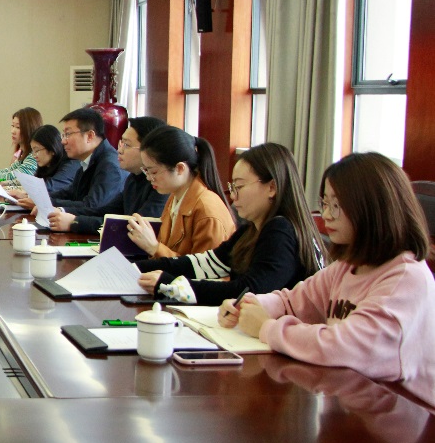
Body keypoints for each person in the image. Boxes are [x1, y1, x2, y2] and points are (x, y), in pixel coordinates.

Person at [222, 152, 435, 406]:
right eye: (324, 203)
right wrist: (250, 305)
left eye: (337, 206)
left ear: (374, 209)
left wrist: (266, 327)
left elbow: (346, 347)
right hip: (353, 402)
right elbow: (293, 301)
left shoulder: (406, 278)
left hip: (406, 414)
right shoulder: (347, 267)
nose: (326, 215)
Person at [136, 143, 326, 304]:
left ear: (272, 187)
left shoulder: (281, 231)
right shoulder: (251, 230)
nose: (233, 196)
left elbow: (249, 291)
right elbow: (206, 263)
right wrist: (136, 268)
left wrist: (172, 286)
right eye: (232, 187)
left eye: (239, 186)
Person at [125, 125, 235, 258]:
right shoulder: (175, 196)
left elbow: (202, 269)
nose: (148, 178)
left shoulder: (207, 212)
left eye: (153, 172)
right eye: (146, 170)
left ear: (180, 168)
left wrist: (154, 248)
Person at [48, 116, 168, 234]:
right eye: (121, 143)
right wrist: (61, 211)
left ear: (148, 150)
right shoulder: (133, 178)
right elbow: (106, 212)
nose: (119, 150)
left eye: (126, 145)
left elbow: (136, 228)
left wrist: (75, 222)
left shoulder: (161, 186)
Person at [48, 108, 126, 214]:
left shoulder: (109, 166)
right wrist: (41, 198)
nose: (63, 141)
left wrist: (50, 204)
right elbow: (70, 193)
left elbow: (92, 206)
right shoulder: (89, 159)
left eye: (68, 134)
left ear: (90, 136)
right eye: (64, 135)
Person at [6, 124, 79, 211]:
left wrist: (25, 195)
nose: (34, 156)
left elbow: (50, 187)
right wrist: (23, 196)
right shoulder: (46, 165)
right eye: (33, 151)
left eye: (37, 150)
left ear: (52, 149)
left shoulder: (71, 164)